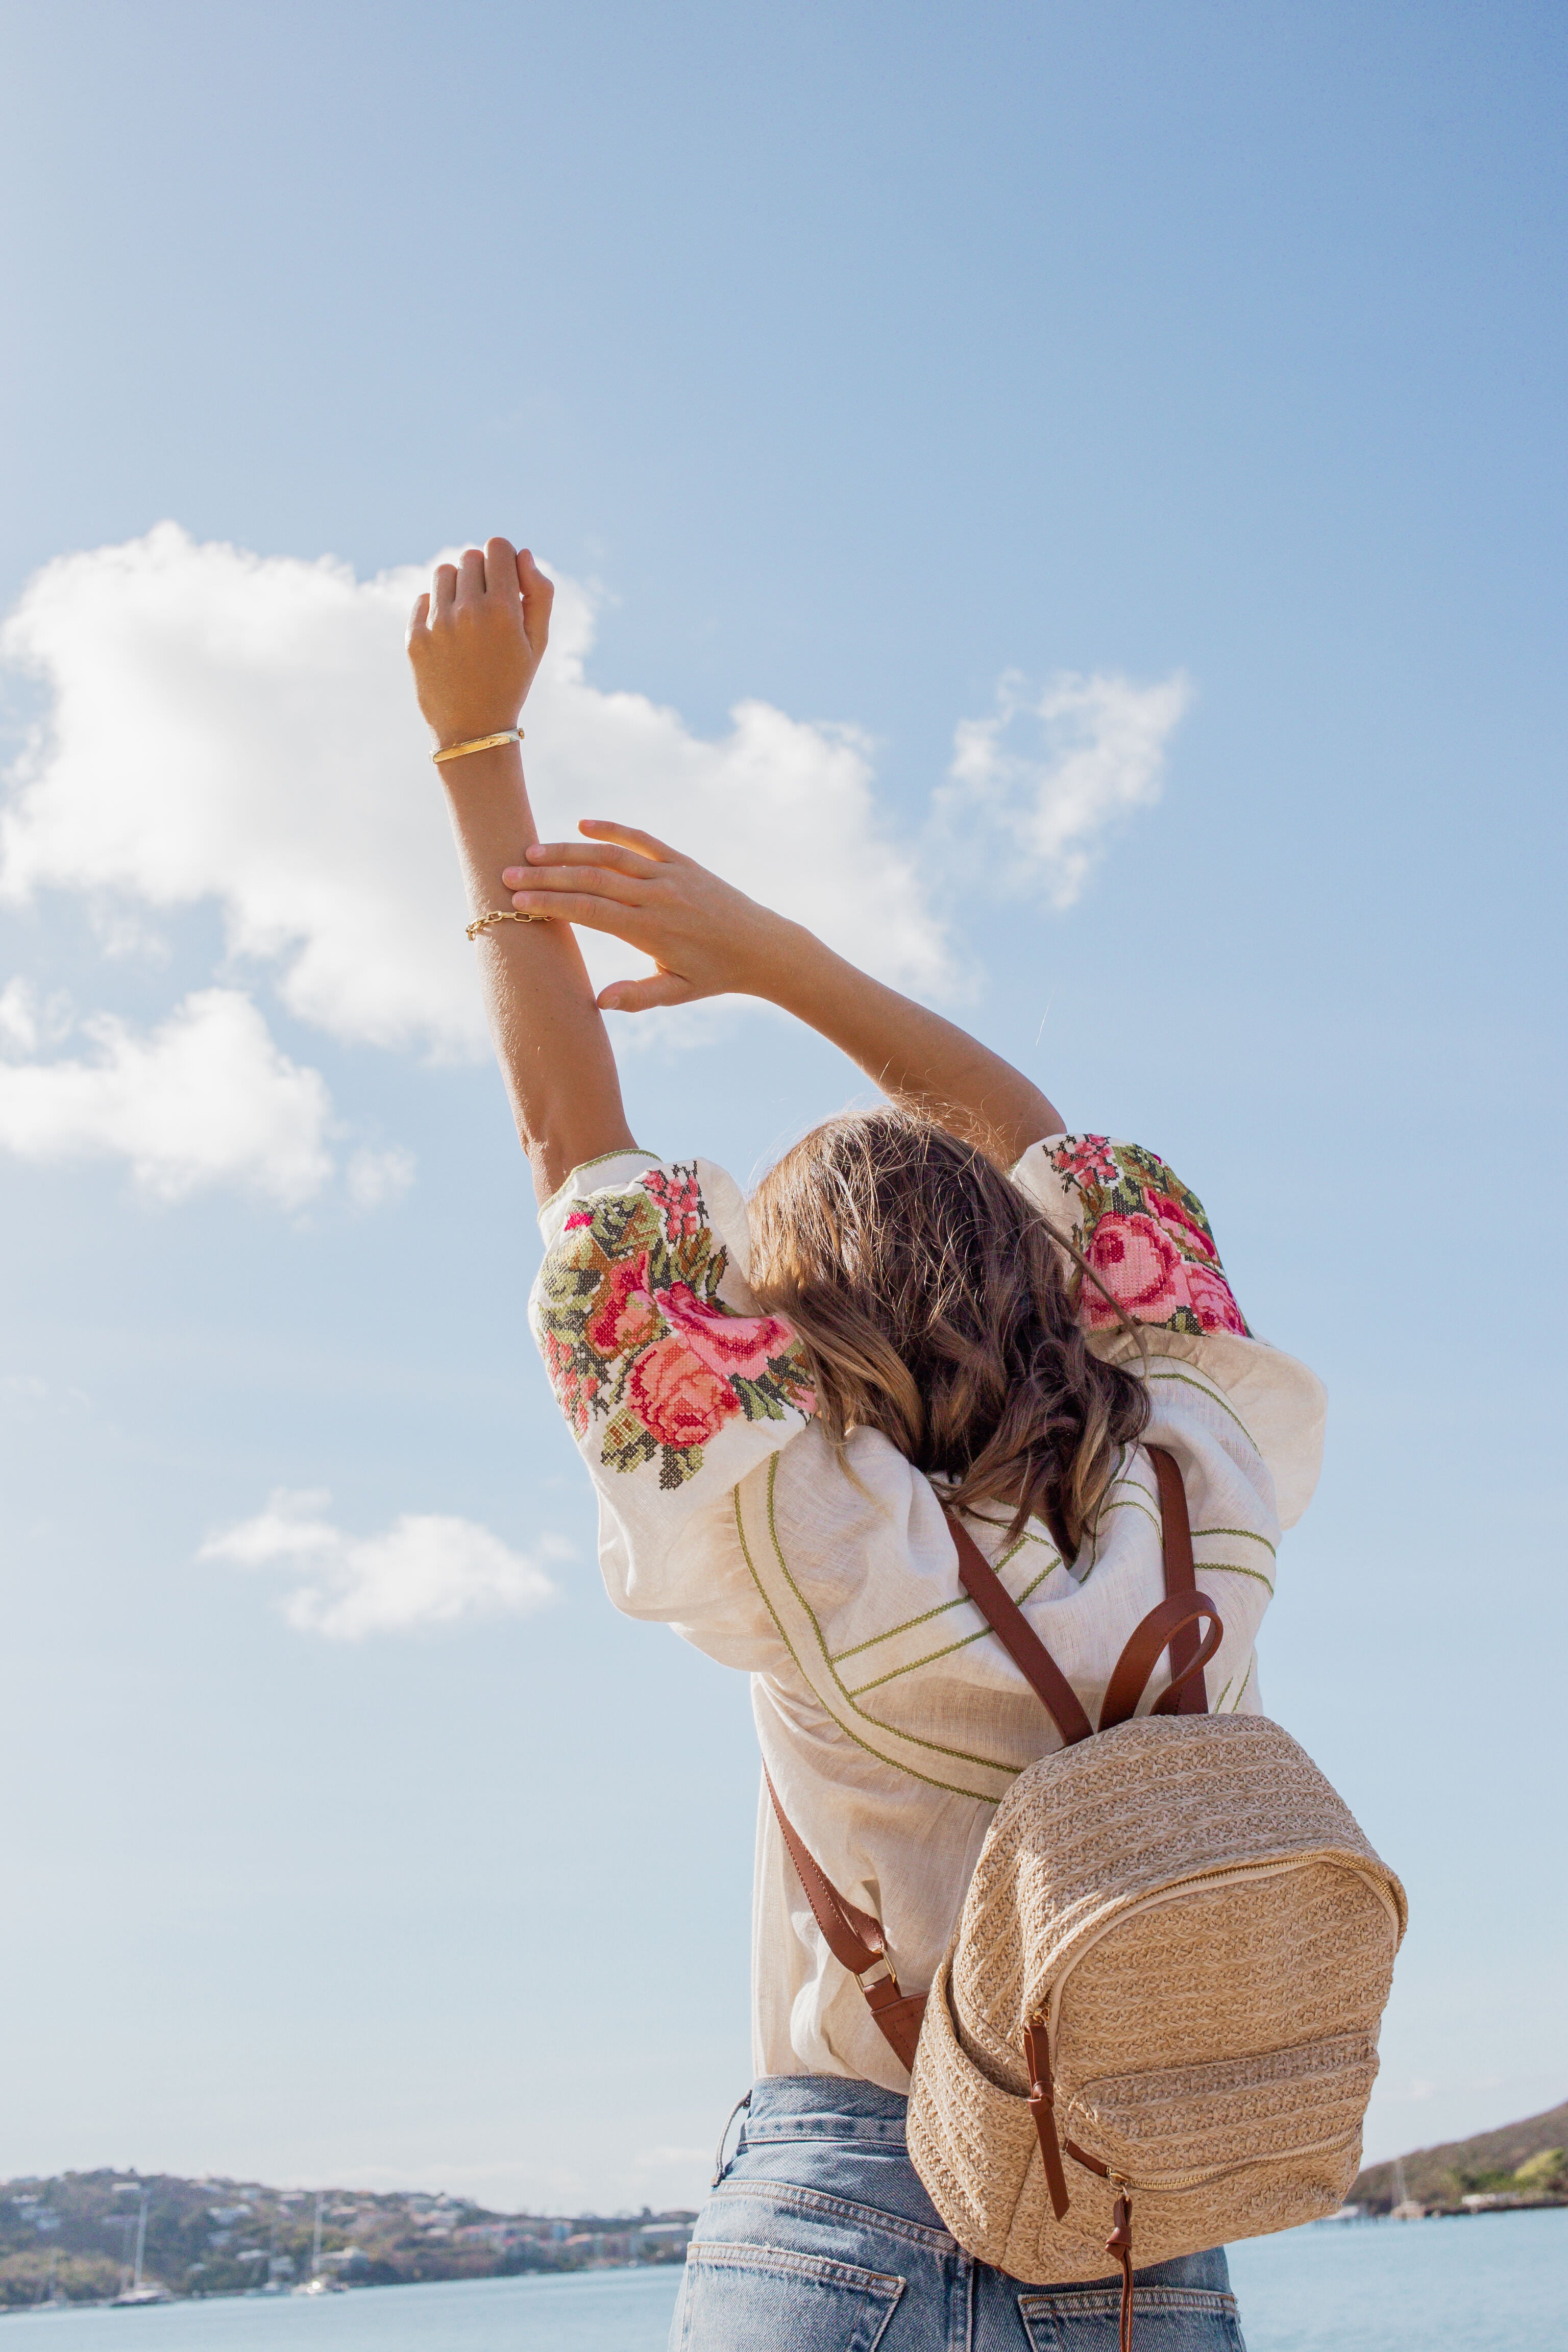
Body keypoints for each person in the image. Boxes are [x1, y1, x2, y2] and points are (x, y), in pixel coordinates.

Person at [407, 537, 1325, 2351]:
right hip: (1138, 2235)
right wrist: (776, 960)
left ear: (796, 1338)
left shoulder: (807, 1520)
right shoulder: (1206, 1484)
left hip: (842, 2210)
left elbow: (571, 1153)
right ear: (1057, 1281)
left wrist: (472, 753)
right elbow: (1053, 1142)